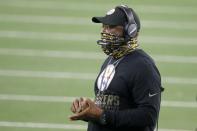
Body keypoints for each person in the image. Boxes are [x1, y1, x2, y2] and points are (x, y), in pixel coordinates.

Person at [69, 5, 164, 131]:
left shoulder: (143, 66)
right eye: (103, 26)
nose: (104, 31)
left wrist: (102, 115)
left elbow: (148, 116)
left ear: (131, 31)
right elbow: (110, 104)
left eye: (111, 27)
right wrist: (88, 110)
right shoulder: (111, 59)